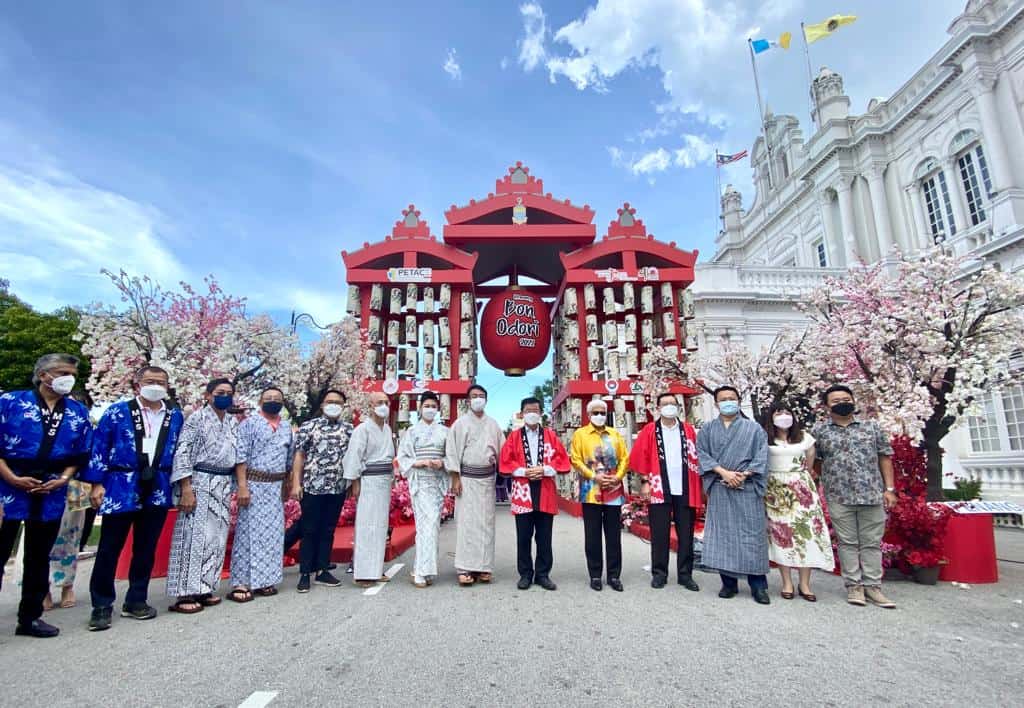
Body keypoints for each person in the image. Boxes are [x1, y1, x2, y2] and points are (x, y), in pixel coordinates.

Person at [83, 366, 185, 631]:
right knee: (109, 547)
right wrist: (96, 484)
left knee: (146, 547)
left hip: (159, 485)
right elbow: (99, 447)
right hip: (121, 483)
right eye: (150, 381)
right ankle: (102, 604)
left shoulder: (174, 415)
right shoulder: (117, 412)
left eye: (161, 381)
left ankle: (136, 599)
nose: (155, 385)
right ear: (137, 384)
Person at [0, 353, 92, 638]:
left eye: (72, 373)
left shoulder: (77, 411)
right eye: (63, 372)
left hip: (52, 487)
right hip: (8, 484)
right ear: (43, 375)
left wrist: (63, 478)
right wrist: (11, 477)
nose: (69, 378)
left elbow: (82, 452)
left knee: (39, 556)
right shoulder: (10, 402)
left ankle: (30, 617)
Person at [812, 385, 897, 608]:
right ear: (827, 406)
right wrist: (832, 480)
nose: (842, 402)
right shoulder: (820, 431)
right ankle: (854, 587)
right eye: (835, 400)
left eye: (845, 398)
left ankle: (873, 587)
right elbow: (816, 462)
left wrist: (889, 489)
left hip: (871, 493)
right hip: (839, 496)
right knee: (847, 542)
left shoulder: (872, 427)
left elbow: (885, 457)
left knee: (871, 543)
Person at [165, 378, 240, 614]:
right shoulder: (197, 418)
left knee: (216, 538)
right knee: (194, 536)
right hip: (198, 480)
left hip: (222, 482)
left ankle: (205, 587)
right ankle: (185, 592)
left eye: (229, 393)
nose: (224, 396)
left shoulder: (231, 421)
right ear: (208, 395)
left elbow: (237, 454)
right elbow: (184, 451)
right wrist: (185, 487)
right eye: (220, 392)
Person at [696, 385, 771, 604]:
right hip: (720, 485)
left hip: (746, 486)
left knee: (752, 535)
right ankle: (728, 583)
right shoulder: (708, 429)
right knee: (724, 535)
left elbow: (762, 456)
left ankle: (758, 585)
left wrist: (745, 475)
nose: (728, 402)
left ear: (738, 401)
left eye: (732, 398)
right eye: (723, 399)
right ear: (716, 404)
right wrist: (723, 472)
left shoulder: (754, 429)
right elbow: (702, 454)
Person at [629, 393, 702, 591]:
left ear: (678, 407)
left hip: (685, 486)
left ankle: (685, 574)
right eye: (665, 403)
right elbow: (639, 456)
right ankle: (659, 573)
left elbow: (699, 457)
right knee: (659, 532)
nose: (669, 406)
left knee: (686, 532)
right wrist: (645, 482)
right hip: (659, 486)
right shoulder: (650, 431)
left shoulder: (688, 430)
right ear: (658, 408)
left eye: (673, 403)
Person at [763, 405, 835, 601]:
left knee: (807, 535)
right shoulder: (765, 438)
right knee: (781, 535)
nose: (784, 417)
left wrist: (800, 477)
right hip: (776, 491)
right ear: (771, 417)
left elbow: (810, 460)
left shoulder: (804, 436)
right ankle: (786, 581)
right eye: (779, 413)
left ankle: (805, 583)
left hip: (801, 488)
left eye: (787, 413)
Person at [499, 397, 570, 591]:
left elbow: (562, 459)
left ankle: (543, 574)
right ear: (522, 414)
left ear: (540, 413)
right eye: (528, 410)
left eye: (536, 410)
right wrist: (523, 471)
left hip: (545, 490)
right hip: (523, 491)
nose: (532, 413)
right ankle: (525, 574)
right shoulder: (513, 437)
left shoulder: (550, 436)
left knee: (544, 536)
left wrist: (545, 469)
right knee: (523, 536)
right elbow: (505, 461)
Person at [228, 387, 293, 602]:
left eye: (277, 398)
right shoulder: (249, 424)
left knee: (273, 535)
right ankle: (242, 581)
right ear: (260, 401)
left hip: (275, 485)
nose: (273, 401)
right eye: (268, 398)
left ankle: (266, 579)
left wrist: (287, 484)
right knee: (248, 533)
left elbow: (289, 458)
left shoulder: (285, 427)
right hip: (254, 483)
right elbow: (241, 456)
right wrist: (242, 486)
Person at [290, 389, 352, 593]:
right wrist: (296, 483)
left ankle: (322, 569)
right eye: (330, 401)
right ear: (323, 404)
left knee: (328, 529)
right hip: (312, 486)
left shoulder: (349, 429)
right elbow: (299, 456)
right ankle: (305, 572)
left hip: (337, 487)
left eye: (338, 402)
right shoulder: (309, 427)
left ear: (343, 406)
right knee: (309, 529)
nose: (333, 405)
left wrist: (351, 483)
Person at [444, 384, 505, 587]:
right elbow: (452, 451)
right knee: (466, 523)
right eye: (474, 396)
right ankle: (464, 567)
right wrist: (455, 477)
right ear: (468, 401)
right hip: (467, 479)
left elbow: (502, 451)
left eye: (481, 396)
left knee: (487, 524)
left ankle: (484, 567)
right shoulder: (460, 424)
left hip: (487, 479)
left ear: (486, 400)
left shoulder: (494, 425)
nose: (478, 399)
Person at [569, 399, 628, 592]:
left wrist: (617, 477)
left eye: (602, 411)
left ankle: (614, 575)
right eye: (595, 412)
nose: (599, 415)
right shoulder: (580, 434)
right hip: (591, 491)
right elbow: (576, 459)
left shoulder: (615, 434)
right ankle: (595, 574)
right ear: (588, 414)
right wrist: (594, 476)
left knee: (613, 535)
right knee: (592, 535)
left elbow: (624, 458)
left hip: (613, 490)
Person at [342, 391, 396, 588]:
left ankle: (375, 569)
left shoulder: (387, 429)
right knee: (366, 525)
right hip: (368, 479)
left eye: (385, 402)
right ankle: (363, 572)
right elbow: (354, 455)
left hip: (383, 480)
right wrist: (355, 481)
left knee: (380, 526)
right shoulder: (362, 430)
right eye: (379, 402)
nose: (383, 405)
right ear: (371, 406)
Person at [397, 392, 449, 588]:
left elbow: (451, 456)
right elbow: (402, 457)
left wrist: (442, 463)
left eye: (433, 406)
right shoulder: (411, 431)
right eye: (426, 405)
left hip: (437, 481)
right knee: (425, 525)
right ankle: (421, 570)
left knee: (432, 525)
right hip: (420, 481)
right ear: (419, 408)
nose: (429, 409)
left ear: (437, 409)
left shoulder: (445, 431)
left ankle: (424, 568)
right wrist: (419, 462)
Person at [44, 477, 92, 611]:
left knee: (73, 533)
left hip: (77, 482)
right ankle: (42, 587)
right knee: (40, 532)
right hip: (44, 475)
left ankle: (68, 586)